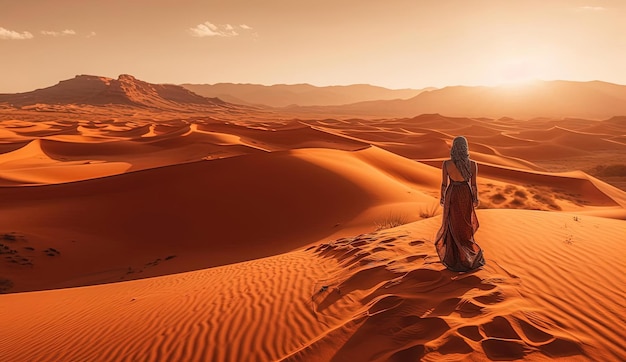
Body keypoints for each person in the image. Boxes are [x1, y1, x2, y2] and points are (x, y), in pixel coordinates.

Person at [435, 136, 485, 272]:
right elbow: (473, 185)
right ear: (465, 148)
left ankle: (456, 257)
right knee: (465, 226)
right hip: (465, 194)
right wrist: (475, 199)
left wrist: (442, 198)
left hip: (452, 194)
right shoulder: (473, 164)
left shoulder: (446, 164)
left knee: (453, 224)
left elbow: (444, 184)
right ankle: (467, 256)